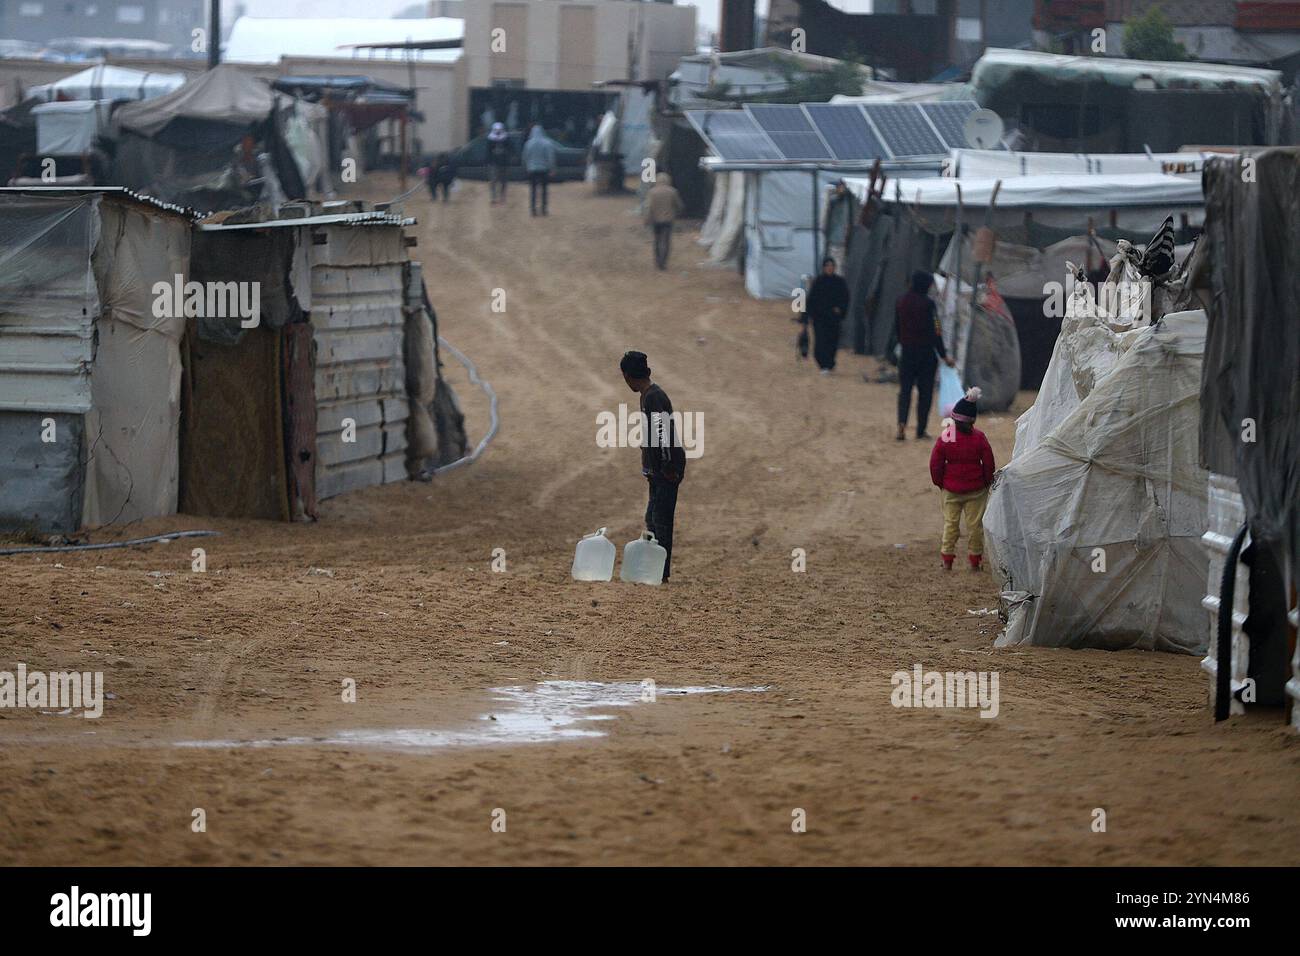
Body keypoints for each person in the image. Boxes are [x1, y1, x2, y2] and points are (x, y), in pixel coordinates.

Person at [620, 350, 685, 581]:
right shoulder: (648, 394)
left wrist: (666, 466)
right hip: (658, 470)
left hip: (666, 471)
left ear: (628, 376)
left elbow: (663, 433)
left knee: (661, 521)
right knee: (653, 518)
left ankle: (661, 573)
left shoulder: (652, 397)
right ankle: (656, 569)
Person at [929, 387, 996, 571]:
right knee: (975, 527)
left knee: (950, 525)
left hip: (950, 489)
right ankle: (975, 560)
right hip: (976, 490)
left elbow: (936, 463)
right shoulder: (979, 437)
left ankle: (947, 558)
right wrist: (986, 480)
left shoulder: (946, 436)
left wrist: (940, 482)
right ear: (972, 420)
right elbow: (988, 462)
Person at [895, 270, 955, 441]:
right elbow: (936, 331)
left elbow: (896, 328)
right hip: (926, 355)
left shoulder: (901, 301)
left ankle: (901, 424)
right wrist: (944, 356)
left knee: (905, 391)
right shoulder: (929, 305)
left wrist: (904, 342)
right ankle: (920, 430)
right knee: (925, 393)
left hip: (906, 352)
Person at [804, 257, 850, 374]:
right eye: (827, 266)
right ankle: (823, 364)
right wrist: (806, 316)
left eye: (832, 266)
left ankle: (829, 364)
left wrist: (840, 309)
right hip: (819, 318)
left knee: (832, 342)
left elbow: (845, 298)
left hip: (833, 319)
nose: (830, 268)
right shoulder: (818, 282)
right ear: (824, 267)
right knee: (820, 342)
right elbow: (811, 300)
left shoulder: (840, 282)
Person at [643, 173, 683, 270]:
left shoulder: (652, 192)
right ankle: (663, 262)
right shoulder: (673, 191)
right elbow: (679, 205)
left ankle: (657, 261)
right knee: (666, 241)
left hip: (655, 220)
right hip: (668, 220)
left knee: (657, 241)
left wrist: (647, 219)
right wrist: (677, 213)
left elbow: (648, 207)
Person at [521, 123, 556, 216]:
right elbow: (550, 157)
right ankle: (544, 209)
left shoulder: (528, 143)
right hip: (544, 169)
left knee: (533, 190)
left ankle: (533, 209)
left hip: (532, 169)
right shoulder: (547, 143)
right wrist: (552, 168)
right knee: (544, 190)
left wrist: (525, 167)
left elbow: (525, 157)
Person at [486, 122, 512, 204]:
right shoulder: (490, 140)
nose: (498, 132)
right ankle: (493, 197)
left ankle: (502, 197)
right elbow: (488, 152)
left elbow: (511, 149)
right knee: (493, 181)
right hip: (493, 163)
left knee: (503, 181)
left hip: (504, 163)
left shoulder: (506, 139)